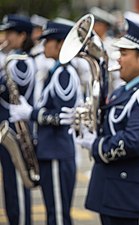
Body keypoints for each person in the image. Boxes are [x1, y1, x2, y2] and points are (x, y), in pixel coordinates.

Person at [74, 18, 139, 225]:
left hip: (135, 198)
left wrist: (96, 145)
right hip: (116, 194)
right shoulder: (125, 90)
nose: (118, 60)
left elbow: (133, 142)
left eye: (124, 54)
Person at [8, 21, 82, 225]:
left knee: (58, 216)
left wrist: (30, 113)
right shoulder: (58, 71)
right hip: (52, 151)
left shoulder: (64, 74)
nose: (44, 46)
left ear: (60, 44)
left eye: (48, 41)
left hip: (57, 153)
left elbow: (62, 116)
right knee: (53, 213)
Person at [0, 14, 36, 225]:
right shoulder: (12, 59)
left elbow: (12, 90)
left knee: (17, 189)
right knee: (10, 190)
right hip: (9, 129)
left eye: (10, 33)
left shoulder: (21, 62)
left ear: (23, 35)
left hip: (17, 130)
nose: (5, 37)